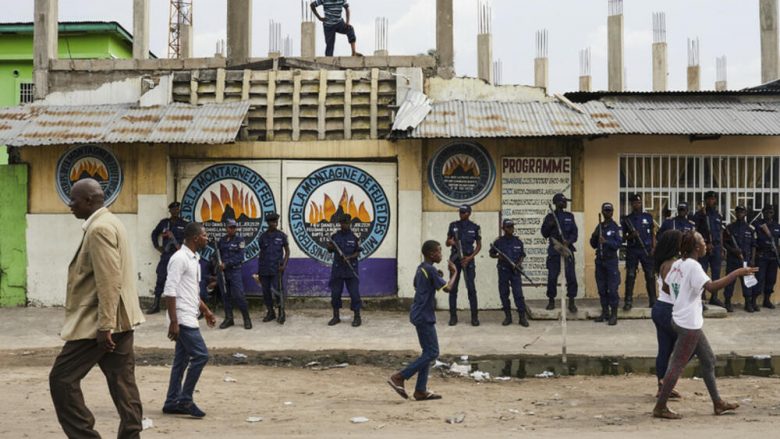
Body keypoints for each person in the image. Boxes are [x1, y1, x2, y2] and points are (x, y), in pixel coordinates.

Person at [49, 178, 145, 438]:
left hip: (99, 325)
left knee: (61, 379)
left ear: (89, 200)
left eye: (74, 199)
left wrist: (105, 326)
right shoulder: (111, 222)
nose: (70, 205)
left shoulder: (99, 229)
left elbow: (108, 280)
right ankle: (132, 434)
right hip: (122, 321)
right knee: (123, 385)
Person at [653, 231, 756, 419]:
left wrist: (684, 296)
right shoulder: (693, 266)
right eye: (703, 241)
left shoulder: (678, 264)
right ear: (696, 247)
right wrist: (737, 273)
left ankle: (718, 403)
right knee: (676, 366)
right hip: (688, 324)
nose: (706, 244)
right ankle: (660, 407)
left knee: (708, 359)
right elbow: (712, 287)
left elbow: (667, 286)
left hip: (682, 318)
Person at [387, 240, 457, 401]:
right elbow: (448, 288)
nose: (441, 254)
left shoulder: (422, 268)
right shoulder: (430, 270)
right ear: (432, 254)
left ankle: (420, 390)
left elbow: (416, 284)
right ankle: (399, 377)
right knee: (433, 352)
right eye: (439, 251)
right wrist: (454, 272)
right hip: (424, 316)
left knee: (427, 352)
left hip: (418, 313)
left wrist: (436, 277)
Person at [162, 222, 217, 418]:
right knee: (201, 355)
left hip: (189, 313)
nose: (206, 238)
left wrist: (207, 311)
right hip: (182, 317)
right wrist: (174, 321)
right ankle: (185, 399)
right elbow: (169, 290)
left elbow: (192, 291)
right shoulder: (179, 259)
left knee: (182, 359)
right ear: (195, 238)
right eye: (204, 235)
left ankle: (171, 401)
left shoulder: (194, 258)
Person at [651, 229, 683, 399]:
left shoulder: (665, 262)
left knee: (665, 349)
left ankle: (662, 385)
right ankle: (666, 383)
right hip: (668, 309)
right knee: (686, 347)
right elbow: (667, 287)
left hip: (661, 307)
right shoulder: (671, 264)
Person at [541, 193, 578, 312]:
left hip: (567, 250)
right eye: (563, 201)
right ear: (557, 203)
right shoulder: (550, 217)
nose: (566, 203)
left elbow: (574, 233)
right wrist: (550, 225)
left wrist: (569, 241)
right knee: (552, 277)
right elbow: (544, 233)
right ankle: (551, 300)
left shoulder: (569, 216)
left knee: (571, 276)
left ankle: (571, 301)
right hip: (554, 250)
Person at [446, 204, 482, 326]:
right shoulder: (453, 225)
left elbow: (478, 246)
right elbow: (447, 242)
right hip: (455, 260)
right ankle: (453, 317)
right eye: (460, 212)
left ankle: (474, 317)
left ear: (469, 213)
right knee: (453, 289)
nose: (461, 214)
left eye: (463, 212)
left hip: (468, 260)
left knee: (471, 289)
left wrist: (470, 258)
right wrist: (450, 242)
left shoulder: (475, 227)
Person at [489, 219, 530, 327]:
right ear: (503, 228)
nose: (511, 229)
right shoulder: (498, 241)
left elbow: (522, 255)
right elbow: (491, 254)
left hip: (515, 272)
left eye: (512, 226)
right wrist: (499, 256)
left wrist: (518, 264)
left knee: (518, 295)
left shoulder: (518, 241)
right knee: (504, 294)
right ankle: (508, 317)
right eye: (508, 227)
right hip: (503, 271)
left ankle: (522, 317)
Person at [148, 201, 187, 314]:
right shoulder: (164, 223)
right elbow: (154, 233)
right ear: (170, 211)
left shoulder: (184, 224)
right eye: (173, 209)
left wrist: (182, 249)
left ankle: (180, 305)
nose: (175, 211)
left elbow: (188, 238)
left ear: (179, 210)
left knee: (180, 280)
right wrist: (157, 246)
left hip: (178, 255)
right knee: (161, 277)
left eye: (177, 209)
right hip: (166, 255)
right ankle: (156, 304)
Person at [621, 194, 656, 310]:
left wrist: (653, 247)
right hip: (633, 250)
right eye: (635, 203)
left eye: (639, 203)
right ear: (631, 204)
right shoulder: (627, 219)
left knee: (650, 275)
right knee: (630, 275)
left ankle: (653, 300)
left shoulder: (648, 217)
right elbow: (623, 238)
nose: (637, 204)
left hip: (646, 249)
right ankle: (628, 301)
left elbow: (652, 234)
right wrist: (632, 235)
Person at [327, 214, 363, 326]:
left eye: (346, 223)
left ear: (350, 223)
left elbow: (358, 252)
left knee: (355, 294)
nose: (344, 225)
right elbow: (329, 249)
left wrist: (349, 257)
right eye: (342, 223)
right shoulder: (334, 236)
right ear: (340, 224)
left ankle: (357, 317)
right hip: (338, 270)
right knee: (335, 294)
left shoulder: (355, 237)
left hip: (351, 270)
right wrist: (330, 247)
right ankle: (336, 316)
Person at [589, 202, 622, 325]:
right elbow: (593, 245)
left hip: (611, 261)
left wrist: (606, 241)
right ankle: (605, 312)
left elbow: (618, 244)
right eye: (606, 211)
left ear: (612, 212)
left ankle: (614, 314)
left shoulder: (616, 227)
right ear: (602, 212)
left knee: (612, 289)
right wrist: (594, 237)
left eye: (610, 211)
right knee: (602, 288)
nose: (608, 213)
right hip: (600, 261)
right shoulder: (600, 227)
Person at [217, 218, 251, 329]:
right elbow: (217, 254)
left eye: (234, 227)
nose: (232, 229)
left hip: (234, 271)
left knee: (239, 296)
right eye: (230, 227)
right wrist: (217, 262)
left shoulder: (239, 240)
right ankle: (229, 318)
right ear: (226, 228)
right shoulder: (221, 241)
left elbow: (240, 257)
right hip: (223, 272)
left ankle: (246, 318)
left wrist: (226, 264)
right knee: (225, 296)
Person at [257, 212, 290, 323]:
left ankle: (281, 313)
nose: (274, 223)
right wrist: (259, 271)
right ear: (268, 223)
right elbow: (262, 253)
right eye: (272, 221)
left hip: (277, 269)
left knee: (278, 291)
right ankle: (271, 312)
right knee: (266, 292)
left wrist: (284, 265)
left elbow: (287, 251)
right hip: (264, 269)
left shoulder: (281, 236)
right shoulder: (262, 237)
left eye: (276, 221)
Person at [694, 191, 725, 307]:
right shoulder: (699, 215)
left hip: (716, 247)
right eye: (709, 199)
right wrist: (705, 244)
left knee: (716, 273)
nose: (711, 201)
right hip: (704, 248)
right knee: (702, 272)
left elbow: (720, 233)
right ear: (705, 200)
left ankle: (714, 297)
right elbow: (695, 232)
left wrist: (721, 248)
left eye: (713, 199)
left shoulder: (718, 215)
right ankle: (701, 297)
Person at [723, 206, 756, 313]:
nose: (740, 214)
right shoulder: (730, 228)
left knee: (747, 282)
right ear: (735, 213)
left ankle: (748, 303)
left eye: (742, 212)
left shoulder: (750, 228)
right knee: (729, 282)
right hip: (732, 260)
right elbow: (725, 243)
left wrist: (752, 259)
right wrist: (733, 250)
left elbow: (753, 245)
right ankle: (727, 302)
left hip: (746, 260)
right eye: (738, 212)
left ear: (745, 213)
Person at [753, 205, 780, 310]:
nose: (769, 214)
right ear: (763, 212)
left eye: (771, 212)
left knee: (771, 279)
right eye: (767, 212)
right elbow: (753, 240)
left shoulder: (777, 226)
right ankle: (753, 301)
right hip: (761, 256)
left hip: (773, 257)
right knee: (759, 278)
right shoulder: (757, 224)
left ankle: (767, 300)